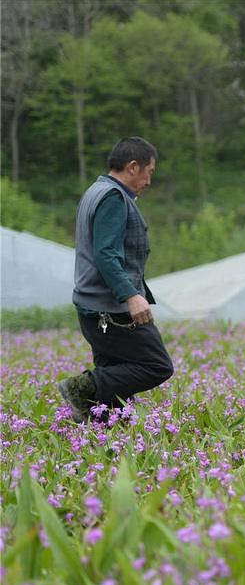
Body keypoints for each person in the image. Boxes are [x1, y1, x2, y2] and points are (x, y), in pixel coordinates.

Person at [57, 136, 174, 423]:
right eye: (150, 171)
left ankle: (98, 427)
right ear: (133, 167)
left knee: (115, 378)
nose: (149, 180)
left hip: (93, 306)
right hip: (109, 308)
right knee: (156, 365)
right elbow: (106, 254)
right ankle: (81, 387)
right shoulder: (113, 197)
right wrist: (131, 295)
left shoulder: (96, 191)